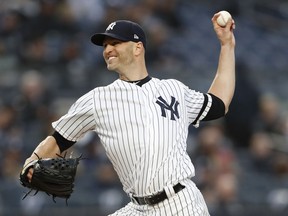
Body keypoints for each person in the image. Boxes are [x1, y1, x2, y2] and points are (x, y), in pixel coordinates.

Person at [21, 12, 236, 216]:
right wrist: (32, 162)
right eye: (105, 45)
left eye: (115, 43)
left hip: (181, 202)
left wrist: (227, 45)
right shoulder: (97, 100)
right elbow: (58, 139)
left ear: (138, 48)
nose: (107, 49)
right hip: (138, 207)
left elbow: (219, 103)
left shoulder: (175, 90)